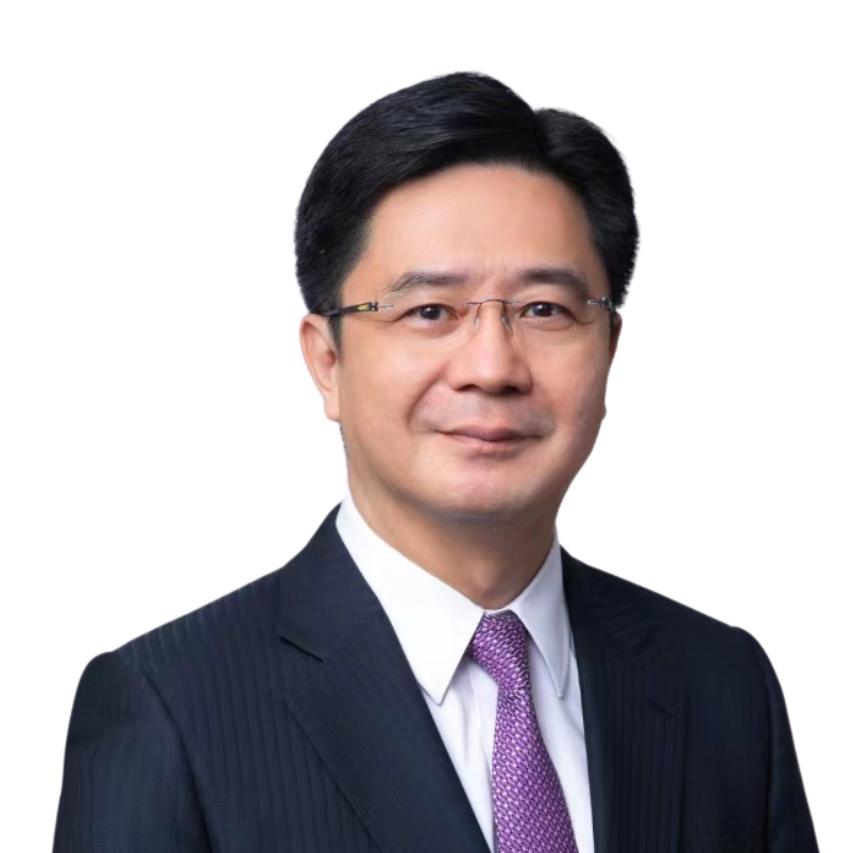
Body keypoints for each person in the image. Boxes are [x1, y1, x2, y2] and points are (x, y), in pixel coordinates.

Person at [52, 71, 819, 853]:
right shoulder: (170, 707)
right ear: (327, 361)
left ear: (608, 348)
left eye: (544, 309)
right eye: (429, 311)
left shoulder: (723, 686)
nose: (491, 367)